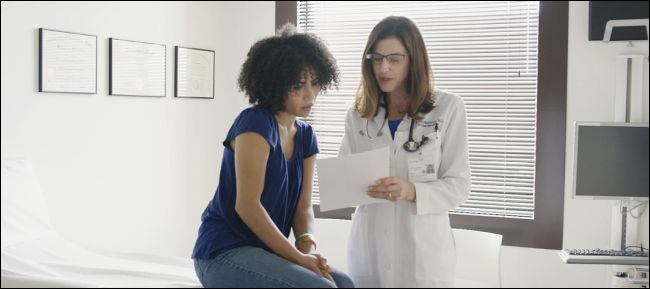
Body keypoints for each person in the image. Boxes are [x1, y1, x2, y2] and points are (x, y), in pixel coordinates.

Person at [192, 24, 354, 288]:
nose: (310, 94)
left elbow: (303, 207)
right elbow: (247, 206)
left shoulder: (305, 135)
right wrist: (300, 260)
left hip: (264, 252)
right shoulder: (255, 123)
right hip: (222, 253)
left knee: (344, 282)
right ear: (275, 84)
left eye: (314, 83)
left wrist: (308, 247)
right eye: (298, 85)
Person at [339, 16, 471, 287]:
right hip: (369, 248)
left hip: (424, 255)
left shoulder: (448, 108)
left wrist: (411, 191)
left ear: (414, 60)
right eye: (376, 58)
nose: (383, 68)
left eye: (394, 58)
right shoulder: (359, 115)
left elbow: (459, 185)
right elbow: (344, 178)